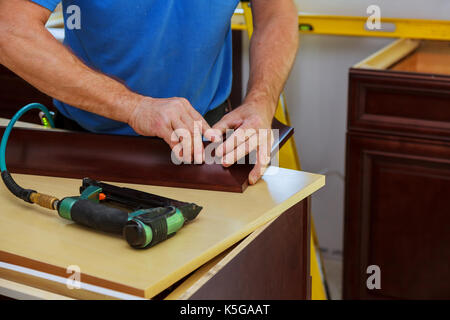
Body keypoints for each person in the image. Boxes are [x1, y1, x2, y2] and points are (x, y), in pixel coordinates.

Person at [0, 0, 299, 184]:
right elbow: (9, 29)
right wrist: (133, 107)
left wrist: (262, 101)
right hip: (89, 146)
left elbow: (276, 11)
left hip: (208, 144)